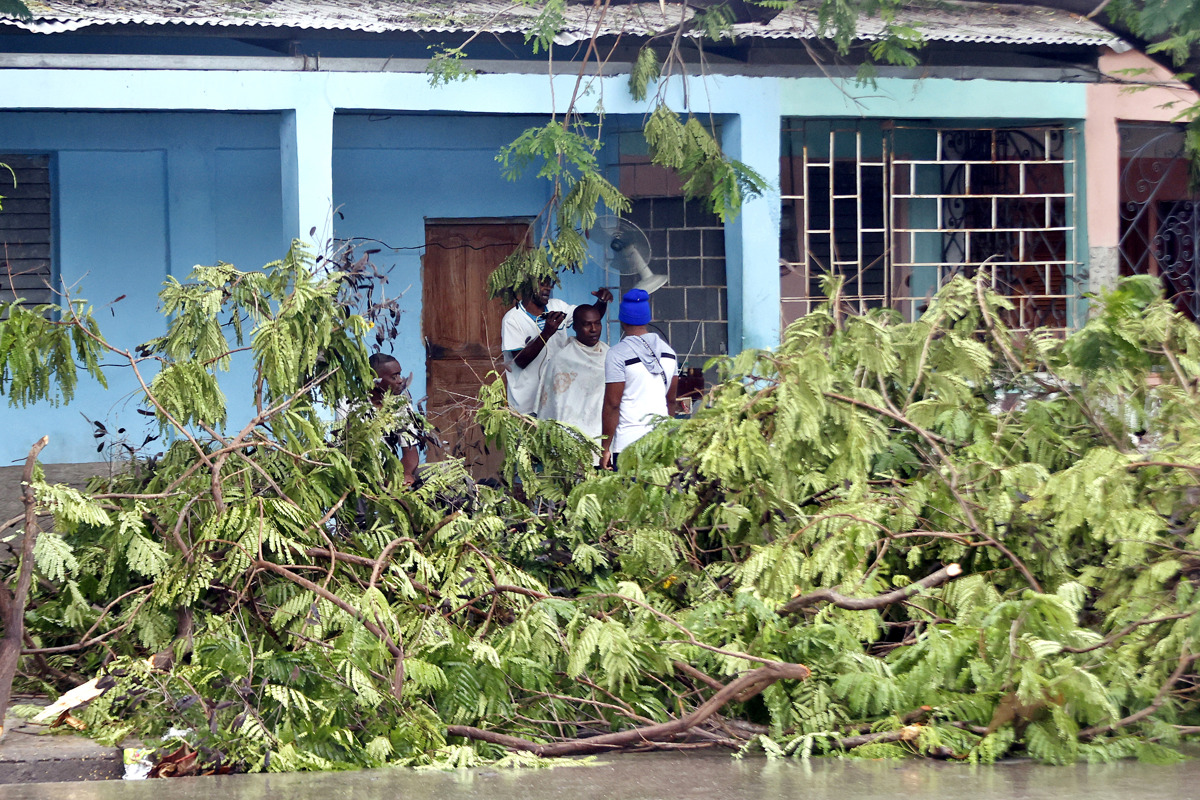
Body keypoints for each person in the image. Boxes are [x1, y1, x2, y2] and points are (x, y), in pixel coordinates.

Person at [501, 277, 612, 416]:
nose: (548, 288)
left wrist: (601, 302)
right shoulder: (513, 319)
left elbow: (585, 319)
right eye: (542, 284)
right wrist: (546, 333)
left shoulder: (558, 306)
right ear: (527, 285)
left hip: (555, 401)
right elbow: (520, 361)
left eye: (550, 283)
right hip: (526, 405)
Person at [600, 288, 679, 470]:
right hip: (659, 444)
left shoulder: (617, 354)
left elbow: (612, 404)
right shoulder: (669, 353)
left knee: (630, 497)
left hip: (629, 445)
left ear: (622, 320)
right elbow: (671, 400)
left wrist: (605, 448)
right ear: (647, 319)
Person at [537, 304, 609, 462]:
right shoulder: (561, 361)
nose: (593, 329)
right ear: (575, 327)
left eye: (597, 323)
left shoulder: (611, 357)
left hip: (605, 437)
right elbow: (553, 406)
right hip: (571, 439)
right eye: (587, 324)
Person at [367, 352, 426, 485]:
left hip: (392, 470)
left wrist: (405, 474)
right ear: (375, 381)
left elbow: (410, 450)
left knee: (438, 472)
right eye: (394, 376)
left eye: (399, 374)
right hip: (363, 474)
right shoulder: (352, 405)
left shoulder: (400, 404)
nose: (400, 380)